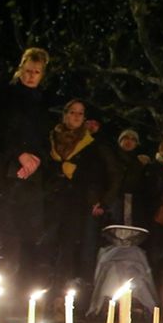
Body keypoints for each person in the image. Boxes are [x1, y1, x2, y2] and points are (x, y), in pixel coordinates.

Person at [0, 47, 50, 285]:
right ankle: (0, 284)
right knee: (4, 230)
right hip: (5, 170)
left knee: (29, 231)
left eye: (36, 72)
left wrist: (36, 160)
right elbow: (0, 129)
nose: (31, 76)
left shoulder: (42, 100)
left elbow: (44, 136)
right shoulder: (8, 94)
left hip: (31, 174)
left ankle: (23, 287)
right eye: (28, 70)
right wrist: (20, 155)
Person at [43, 99, 106, 289]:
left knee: (67, 246)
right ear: (65, 114)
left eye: (80, 113)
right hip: (50, 197)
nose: (76, 116)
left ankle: (59, 292)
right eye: (72, 112)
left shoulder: (90, 143)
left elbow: (95, 173)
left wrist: (73, 171)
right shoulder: (51, 138)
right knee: (46, 242)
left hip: (75, 201)